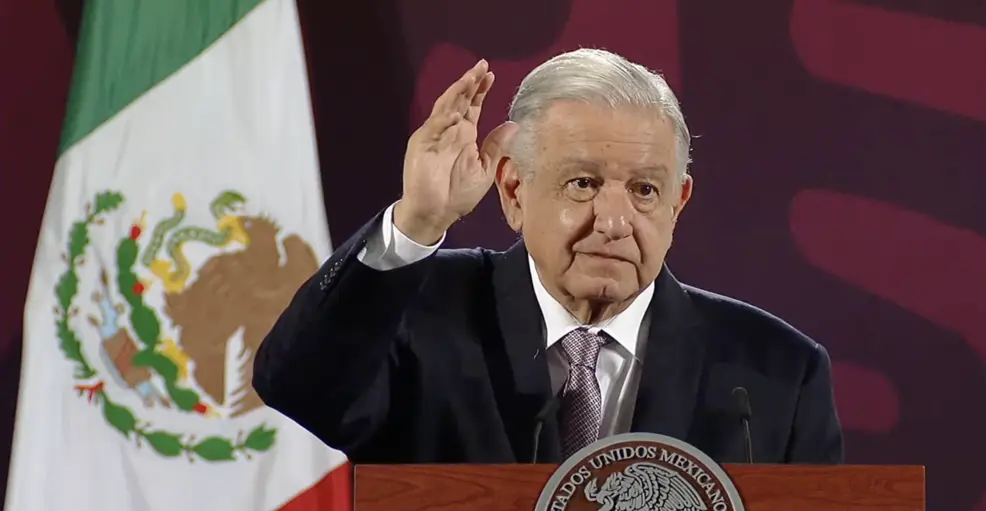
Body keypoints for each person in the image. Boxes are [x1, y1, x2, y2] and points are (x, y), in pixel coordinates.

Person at [255, 49, 843, 466]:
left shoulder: (775, 376)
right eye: (583, 183)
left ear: (677, 204)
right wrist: (419, 221)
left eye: (644, 191)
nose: (613, 223)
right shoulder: (419, 312)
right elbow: (299, 387)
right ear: (513, 190)